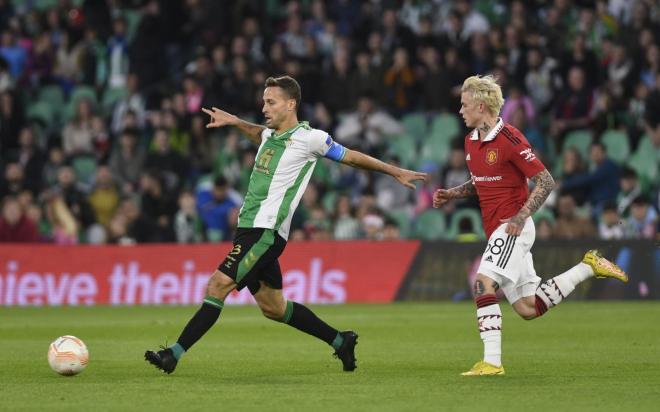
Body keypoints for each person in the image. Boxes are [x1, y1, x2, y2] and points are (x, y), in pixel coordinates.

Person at [145, 76, 427, 374]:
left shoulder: (311, 139)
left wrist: (394, 171)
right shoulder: (270, 135)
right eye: (263, 101)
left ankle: (173, 355)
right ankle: (340, 341)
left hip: (265, 232)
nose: (264, 107)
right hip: (248, 229)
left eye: (271, 102)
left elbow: (352, 158)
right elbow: (258, 134)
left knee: (218, 284)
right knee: (274, 308)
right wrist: (235, 122)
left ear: (291, 104)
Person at [433, 75, 628, 376]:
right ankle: (589, 266)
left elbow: (546, 180)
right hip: (500, 228)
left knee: (482, 283)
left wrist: (521, 216)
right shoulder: (471, 141)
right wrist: (452, 193)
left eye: (464, 105)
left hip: (513, 225)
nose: (460, 111)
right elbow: (482, 180)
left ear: (481, 106)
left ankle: (492, 363)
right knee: (527, 307)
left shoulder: (510, 139)